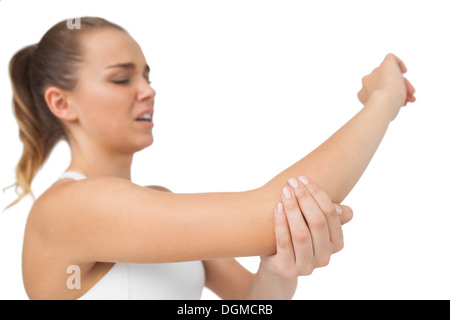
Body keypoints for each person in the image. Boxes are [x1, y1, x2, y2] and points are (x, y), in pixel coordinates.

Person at [5, 17, 415, 300]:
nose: (147, 90)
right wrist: (382, 103)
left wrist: (277, 268)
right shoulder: (67, 207)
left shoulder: (158, 202)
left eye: (147, 76)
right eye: (121, 78)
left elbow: (251, 303)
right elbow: (266, 214)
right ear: (61, 102)